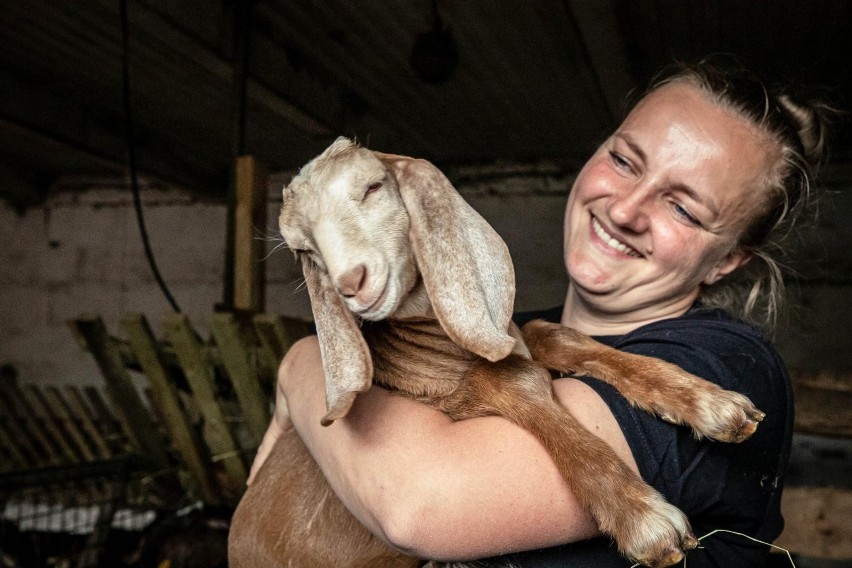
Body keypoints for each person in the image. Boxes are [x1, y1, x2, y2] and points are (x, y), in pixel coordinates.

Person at [247, 59, 833, 567]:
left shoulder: (726, 365)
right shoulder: (490, 333)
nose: (625, 209)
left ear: (726, 260)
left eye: (682, 207)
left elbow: (420, 505)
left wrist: (298, 366)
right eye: (625, 162)